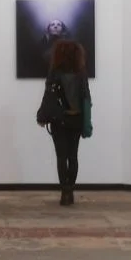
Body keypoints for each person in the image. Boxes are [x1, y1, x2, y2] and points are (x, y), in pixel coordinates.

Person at [36, 39, 93, 207]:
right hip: (76, 119)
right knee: (73, 155)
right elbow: (86, 98)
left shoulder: (54, 72)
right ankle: (70, 190)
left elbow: (48, 96)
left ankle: (64, 192)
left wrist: (42, 115)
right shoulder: (81, 72)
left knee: (61, 157)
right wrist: (87, 121)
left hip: (58, 119)